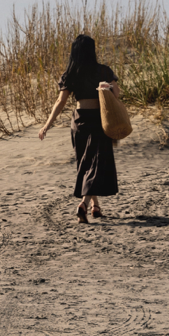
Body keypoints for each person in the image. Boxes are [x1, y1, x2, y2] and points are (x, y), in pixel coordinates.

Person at [39, 34, 120, 222]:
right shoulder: (103, 71)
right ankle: (83, 204)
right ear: (92, 51)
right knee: (95, 164)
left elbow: (60, 102)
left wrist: (46, 125)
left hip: (79, 121)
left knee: (85, 163)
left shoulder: (71, 73)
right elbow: (116, 94)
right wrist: (106, 87)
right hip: (99, 121)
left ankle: (95, 206)